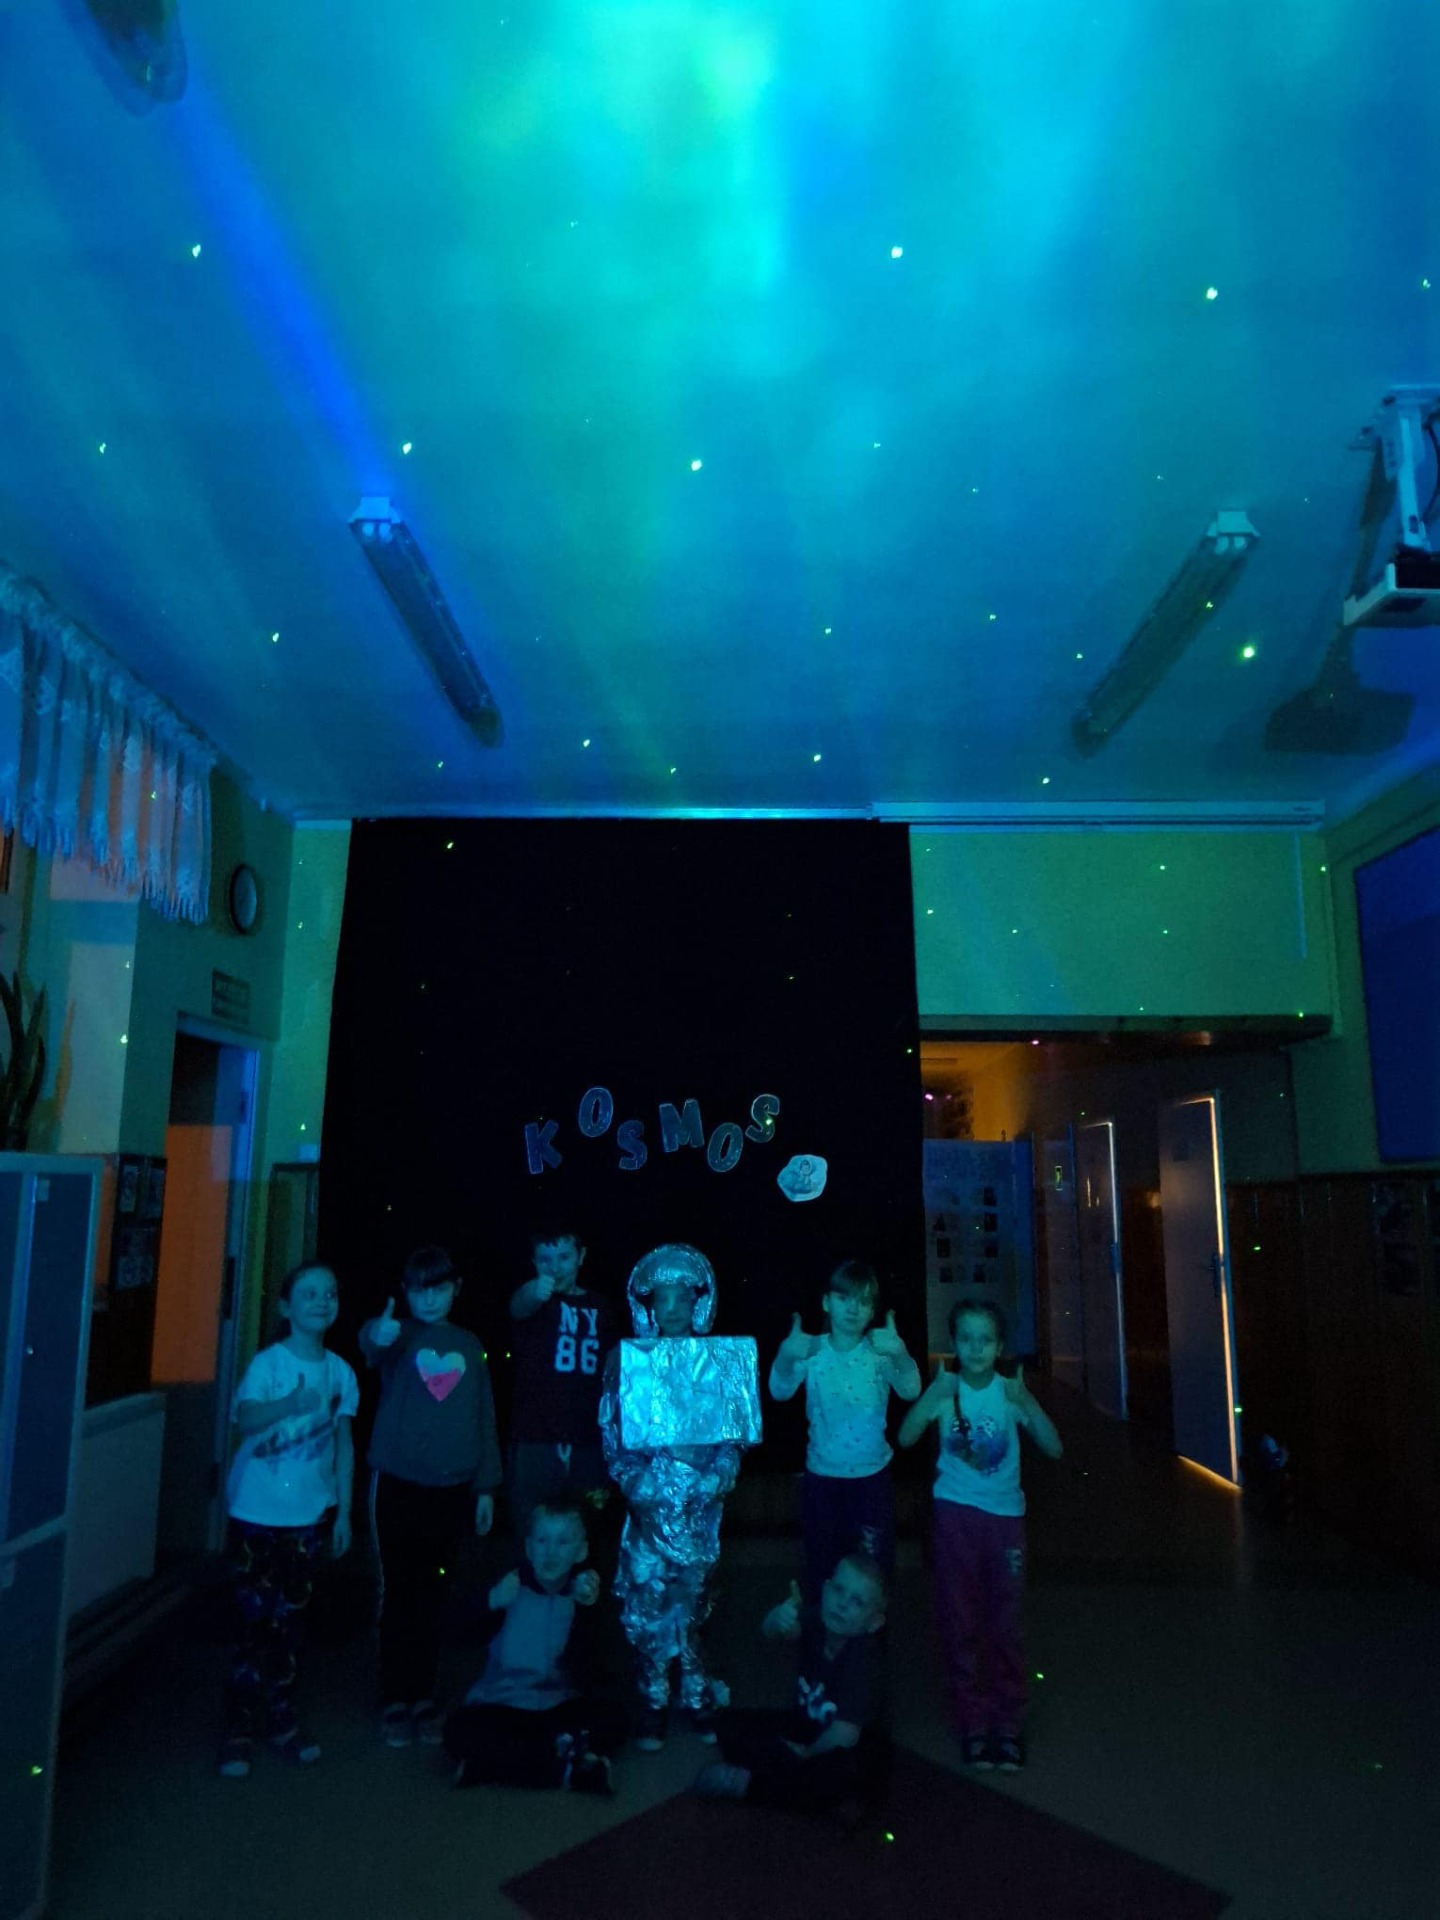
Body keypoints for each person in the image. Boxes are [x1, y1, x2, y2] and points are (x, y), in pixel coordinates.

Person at [599, 1244, 754, 1751]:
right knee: (648, 1599)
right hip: (648, 1509)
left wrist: (720, 1474)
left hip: (700, 1510)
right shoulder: (628, 1361)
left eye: (681, 1298)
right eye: (661, 1299)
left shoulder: (719, 1363)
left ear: (697, 1302)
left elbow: (733, 1436)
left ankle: (696, 1693)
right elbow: (612, 1431)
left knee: (694, 1604)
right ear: (648, 1304)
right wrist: (634, 1481)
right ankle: (652, 1699)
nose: (671, 1309)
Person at [898, 1297, 1062, 1772]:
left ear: (1000, 1345)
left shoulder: (1010, 1393)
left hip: (1004, 1519)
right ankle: (972, 1721)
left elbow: (1054, 1447)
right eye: (966, 1338)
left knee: (1005, 1622)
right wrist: (930, 1397)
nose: (975, 1348)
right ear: (954, 1342)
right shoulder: (945, 1391)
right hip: (954, 1517)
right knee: (960, 1619)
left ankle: (1007, 1723)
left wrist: (1027, 1402)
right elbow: (905, 1438)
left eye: (985, 1339)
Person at [218, 1262, 358, 1778]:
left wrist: (344, 1513)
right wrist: (290, 1403)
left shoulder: (341, 1372)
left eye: (330, 1292)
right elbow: (245, 1418)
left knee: (290, 1624)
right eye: (309, 1293)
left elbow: (345, 1447)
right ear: (286, 1306)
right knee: (251, 1623)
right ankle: (238, 1727)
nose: (322, 1301)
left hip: (308, 1519)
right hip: (255, 1515)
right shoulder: (269, 1364)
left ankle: (281, 1718)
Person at [358, 1245, 501, 1748]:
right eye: (420, 1289)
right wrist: (375, 1334)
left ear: (455, 1289)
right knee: (399, 1591)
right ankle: (394, 1697)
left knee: (434, 1594)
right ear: (405, 1292)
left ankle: (423, 1695)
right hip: (398, 1485)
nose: (430, 1298)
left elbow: (484, 1416)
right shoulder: (397, 1336)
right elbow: (371, 1344)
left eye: (439, 1288)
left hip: (452, 1490)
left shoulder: (470, 1344)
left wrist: (486, 1487)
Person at [444, 1500, 625, 1794]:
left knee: (613, 1720)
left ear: (581, 1551)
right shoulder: (509, 1588)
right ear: (529, 1548)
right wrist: (491, 1601)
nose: (551, 1552)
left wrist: (589, 1612)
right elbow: (457, 1633)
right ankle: (567, 1769)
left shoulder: (582, 1596)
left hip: (560, 1706)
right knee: (459, 1731)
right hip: (503, 1704)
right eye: (542, 1541)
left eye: (562, 1542)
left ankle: (493, 1766)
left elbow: (593, 1670)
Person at [768, 1259, 922, 1600]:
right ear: (826, 1302)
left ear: (872, 1311)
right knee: (821, 1569)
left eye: (863, 1301)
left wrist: (900, 1353)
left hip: (871, 1481)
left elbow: (911, 1389)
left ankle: (874, 1632)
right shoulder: (813, 1350)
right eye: (843, 1298)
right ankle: (821, 1632)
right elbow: (779, 1391)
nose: (853, 1308)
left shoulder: (879, 1353)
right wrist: (785, 1355)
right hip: (822, 1480)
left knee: (874, 1570)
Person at [693, 1553, 889, 1814]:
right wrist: (778, 1618)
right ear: (825, 1589)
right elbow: (772, 1632)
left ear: (873, 1622)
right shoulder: (818, 1620)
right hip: (803, 1727)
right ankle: (785, 1780)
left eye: (857, 1602)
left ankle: (754, 1785)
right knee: (728, 1725)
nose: (842, 1604)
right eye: (839, 1590)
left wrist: (804, 1754)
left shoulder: (863, 1661)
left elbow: (845, 1735)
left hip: (842, 1751)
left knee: (832, 1778)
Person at [506, 1228, 618, 1538]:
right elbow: (517, 1305)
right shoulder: (535, 1303)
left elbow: (613, 1367)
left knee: (587, 1535)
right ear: (534, 1263)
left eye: (564, 1257)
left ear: (581, 1257)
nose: (555, 1267)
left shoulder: (602, 1306)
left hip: (589, 1443)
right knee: (532, 1536)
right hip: (535, 1443)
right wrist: (533, 1291)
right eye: (545, 1259)